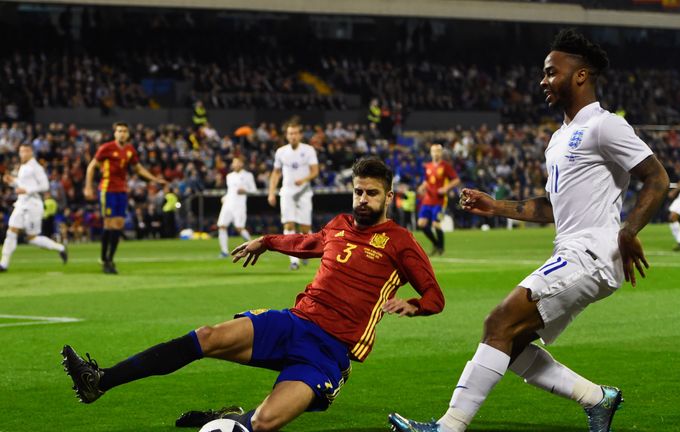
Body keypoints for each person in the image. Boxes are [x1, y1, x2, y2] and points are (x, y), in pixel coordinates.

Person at [388, 28, 669, 432]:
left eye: (552, 72)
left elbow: (657, 178)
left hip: (592, 254)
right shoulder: (558, 140)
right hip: (569, 252)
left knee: (497, 323)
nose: (543, 80)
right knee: (511, 343)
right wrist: (495, 206)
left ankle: (448, 427)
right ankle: (598, 398)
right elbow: (552, 206)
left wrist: (628, 231)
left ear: (581, 75)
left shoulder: (605, 126)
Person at [62, 157, 445, 432]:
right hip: (294, 323)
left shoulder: (401, 243)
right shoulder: (340, 225)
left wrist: (413, 305)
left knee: (263, 423)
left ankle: (225, 421)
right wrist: (267, 241)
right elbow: (308, 241)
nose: (362, 199)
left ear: (389, 196)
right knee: (207, 336)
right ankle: (100, 380)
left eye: (371, 193)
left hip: (328, 352)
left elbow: (434, 296)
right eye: (358, 191)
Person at [84, 122, 166, 274]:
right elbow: (91, 166)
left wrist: (154, 179)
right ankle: (105, 259)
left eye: (125, 131)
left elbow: (138, 168)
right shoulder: (106, 148)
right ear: (115, 133)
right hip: (107, 190)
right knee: (109, 224)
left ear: (128, 134)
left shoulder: (129, 150)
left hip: (121, 190)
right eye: (119, 131)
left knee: (118, 224)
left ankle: (109, 258)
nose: (122, 134)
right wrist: (88, 187)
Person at [1, 143, 68, 271]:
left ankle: (60, 248)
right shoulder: (24, 166)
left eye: (26, 151)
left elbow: (45, 186)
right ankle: (3, 264)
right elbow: (22, 185)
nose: (23, 154)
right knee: (11, 232)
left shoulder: (36, 167)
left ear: (31, 152)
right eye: (21, 151)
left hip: (33, 205)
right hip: (21, 203)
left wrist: (26, 190)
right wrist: (13, 181)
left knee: (32, 239)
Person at [267, 122, 319, 270]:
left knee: (305, 228)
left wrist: (304, 179)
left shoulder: (308, 150)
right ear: (286, 135)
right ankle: (294, 261)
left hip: (304, 192)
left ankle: (305, 252)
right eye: (290, 133)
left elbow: (315, 171)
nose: (293, 136)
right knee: (288, 224)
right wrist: (271, 192)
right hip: (287, 192)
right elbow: (276, 173)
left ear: (300, 135)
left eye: (295, 133)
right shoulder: (281, 152)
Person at [417, 143, 460, 256]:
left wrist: (446, 188)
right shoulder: (428, 166)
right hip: (428, 200)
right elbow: (426, 181)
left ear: (441, 153)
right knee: (421, 224)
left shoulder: (445, 166)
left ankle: (441, 248)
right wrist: (422, 187)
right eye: (434, 151)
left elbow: (456, 180)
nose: (436, 153)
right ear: (431, 153)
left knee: (436, 224)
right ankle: (436, 244)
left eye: (438, 151)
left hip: (440, 201)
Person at [217, 157, 257, 257]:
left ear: (242, 164)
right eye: (233, 162)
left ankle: (254, 247)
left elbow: (254, 190)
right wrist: (225, 197)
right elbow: (231, 190)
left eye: (237, 162)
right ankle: (224, 251)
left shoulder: (248, 175)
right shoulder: (229, 176)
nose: (234, 164)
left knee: (239, 228)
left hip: (239, 205)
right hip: (228, 204)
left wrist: (245, 190)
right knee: (222, 226)